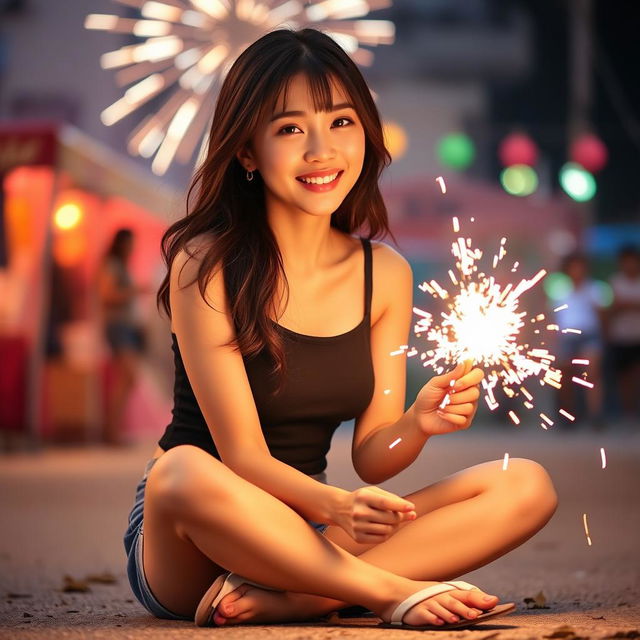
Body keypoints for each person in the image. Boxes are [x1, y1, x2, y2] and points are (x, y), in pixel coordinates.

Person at [123, 28, 557, 630]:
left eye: (342, 122)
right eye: (290, 129)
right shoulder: (207, 262)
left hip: (313, 533)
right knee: (181, 470)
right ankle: (383, 593)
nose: (321, 151)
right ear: (247, 151)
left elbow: (375, 455)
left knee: (525, 485)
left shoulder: (385, 273)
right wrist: (338, 507)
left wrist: (416, 424)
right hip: (200, 537)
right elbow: (242, 456)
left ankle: (300, 598)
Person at [98, 228, 147, 445]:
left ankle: (112, 431)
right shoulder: (113, 265)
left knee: (125, 379)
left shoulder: (120, 266)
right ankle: (111, 432)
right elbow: (107, 295)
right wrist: (135, 291)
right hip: (118, 326)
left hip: (123, 326)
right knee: (127, 377)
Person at [553, 252, 605, 428]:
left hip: (589, 335)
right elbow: (551, 315)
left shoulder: (595, 289)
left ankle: (595, 416)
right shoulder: (559, 289)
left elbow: (602, 314)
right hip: (566, 337)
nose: (577, 271)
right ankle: (567, 416)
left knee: (592, 375)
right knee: (565, 377)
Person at [607, 245, 640, 423]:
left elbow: (620, 305)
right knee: (624, 379)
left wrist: (626, 305)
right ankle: (629, 414)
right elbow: (612, 308)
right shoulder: (615, 282)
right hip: (621, 337)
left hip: (638, 336)